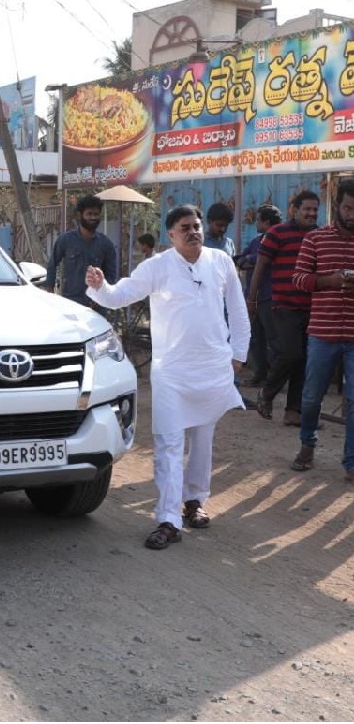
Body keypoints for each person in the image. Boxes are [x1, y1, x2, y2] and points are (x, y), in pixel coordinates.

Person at [84, 204, 250, 550]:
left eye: (196, 226)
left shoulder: (221, 261)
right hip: (172, 372)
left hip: (212, 368)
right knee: (169, 443)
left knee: (203, 440)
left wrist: (238, 354)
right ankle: (168, 519)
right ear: (171, 235)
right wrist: (101, 287)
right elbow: (121, 295)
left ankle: (195, 502)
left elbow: (237, 309)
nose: (193, 232)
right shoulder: (157, 266)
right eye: (185, 228)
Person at [289, 180, 354, 483]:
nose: (352, 215)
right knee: (312, 397)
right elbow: (299, 278)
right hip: (322, 332)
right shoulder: (315, 239)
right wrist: (329, 281)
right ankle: (307, 445)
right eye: (348, 208)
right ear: (337, 205)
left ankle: (351, 461)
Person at [247, 190, 320, 426]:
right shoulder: (277, 233)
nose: (311, 213)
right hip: (283, 305)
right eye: (306, 209)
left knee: (303, 359)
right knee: (291, 354)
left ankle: (292, 411)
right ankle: (267, 392)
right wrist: (252, 299)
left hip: (311, 307)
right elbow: (260, 266)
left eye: (315, 209)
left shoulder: (319, 236)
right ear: (294, 210)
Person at [45, 195, 118, 308]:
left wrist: (102, 295)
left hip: (97, 305)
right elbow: (52, 265)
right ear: (80, 215)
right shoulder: (66, 240)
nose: (93, 217)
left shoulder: (106, 244)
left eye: (96, 214)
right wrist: (50, 292)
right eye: (89, 214)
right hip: (70, 303)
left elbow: (111, 274)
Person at [238, 204, 283, 386]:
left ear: (267, 222)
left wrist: (251, 260)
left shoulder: (279, 240)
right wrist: (250, 260)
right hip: (254, 297)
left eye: (258, 220)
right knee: (255, 337)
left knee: (274, 339)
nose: (256, 223)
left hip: (270, 297)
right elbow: (241, 260)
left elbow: (262, 260)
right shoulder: (256, 241)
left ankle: (277, 378)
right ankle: (260, 375)